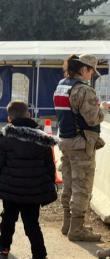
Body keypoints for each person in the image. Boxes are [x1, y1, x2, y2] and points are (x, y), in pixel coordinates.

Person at [0, 100, 58, 259]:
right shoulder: (42, 137)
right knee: (32, 223)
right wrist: (48, 183)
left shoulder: (5, 137)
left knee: (8, 219)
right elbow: (50, 165)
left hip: (10, 189)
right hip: (34, 190)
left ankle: (4, 249)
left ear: (9, 119)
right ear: (28, 115)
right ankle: (39, 254)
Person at [53, 54, 110, 241]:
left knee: (69, 185)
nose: (92, 75)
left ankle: (67, 224)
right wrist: (102, 108)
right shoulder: (84, 90)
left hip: (66, 142)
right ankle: (77, 231)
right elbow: (92, 118)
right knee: (82, 187)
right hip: (81, 145)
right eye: (91, 71)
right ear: (84, 69)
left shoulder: (62, 85)